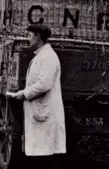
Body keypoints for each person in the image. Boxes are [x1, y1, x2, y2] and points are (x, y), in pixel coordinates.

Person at [7, 24, 66, 169]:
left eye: (29, 36)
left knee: (43, 157)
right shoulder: (42, 55)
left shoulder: (48, 57)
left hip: (45, 114)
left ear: (38, 37)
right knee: (38, 154)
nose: (28, 39)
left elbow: (44, 84)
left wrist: (24, 94)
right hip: (40, 112)